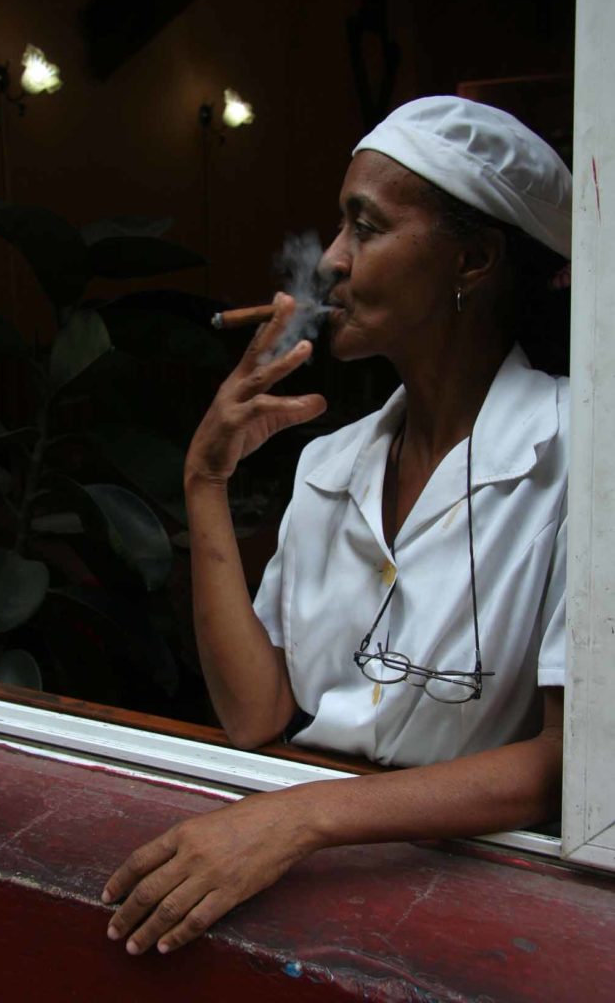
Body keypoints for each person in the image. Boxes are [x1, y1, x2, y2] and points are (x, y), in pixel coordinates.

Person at [102, 96, 571, 953]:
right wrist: (205, 481)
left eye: (366, 227)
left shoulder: (578, 455)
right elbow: (257, 714)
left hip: (482, 904)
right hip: (307, 882)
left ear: (473, 258)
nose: (331, 263)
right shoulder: (330, 464)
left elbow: (561, 760)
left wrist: (300, 819)